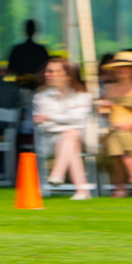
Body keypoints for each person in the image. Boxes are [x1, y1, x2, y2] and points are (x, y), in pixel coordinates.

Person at [33, 58, 94, 200]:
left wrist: (50, 117)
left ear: (68, 75)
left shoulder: (83, 96)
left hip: (82, 140)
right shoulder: (41, 97)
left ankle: (58, 172)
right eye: (48, 71)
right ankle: (82, 190)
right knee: (71, 137)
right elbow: (42, 123)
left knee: (70, 135)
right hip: (49, 140)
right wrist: (64, 119)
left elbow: (79, 119)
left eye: (54, 71)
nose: (48, 74)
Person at [97, 51, 132, 198]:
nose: (121, 70)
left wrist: (128, 124)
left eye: (125, 67)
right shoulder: (109, 89)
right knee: (117, 136)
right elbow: (102, 112)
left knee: (119, 138)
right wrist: (103, 107)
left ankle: (120, 187)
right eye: (118, 67)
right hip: (112, 129)